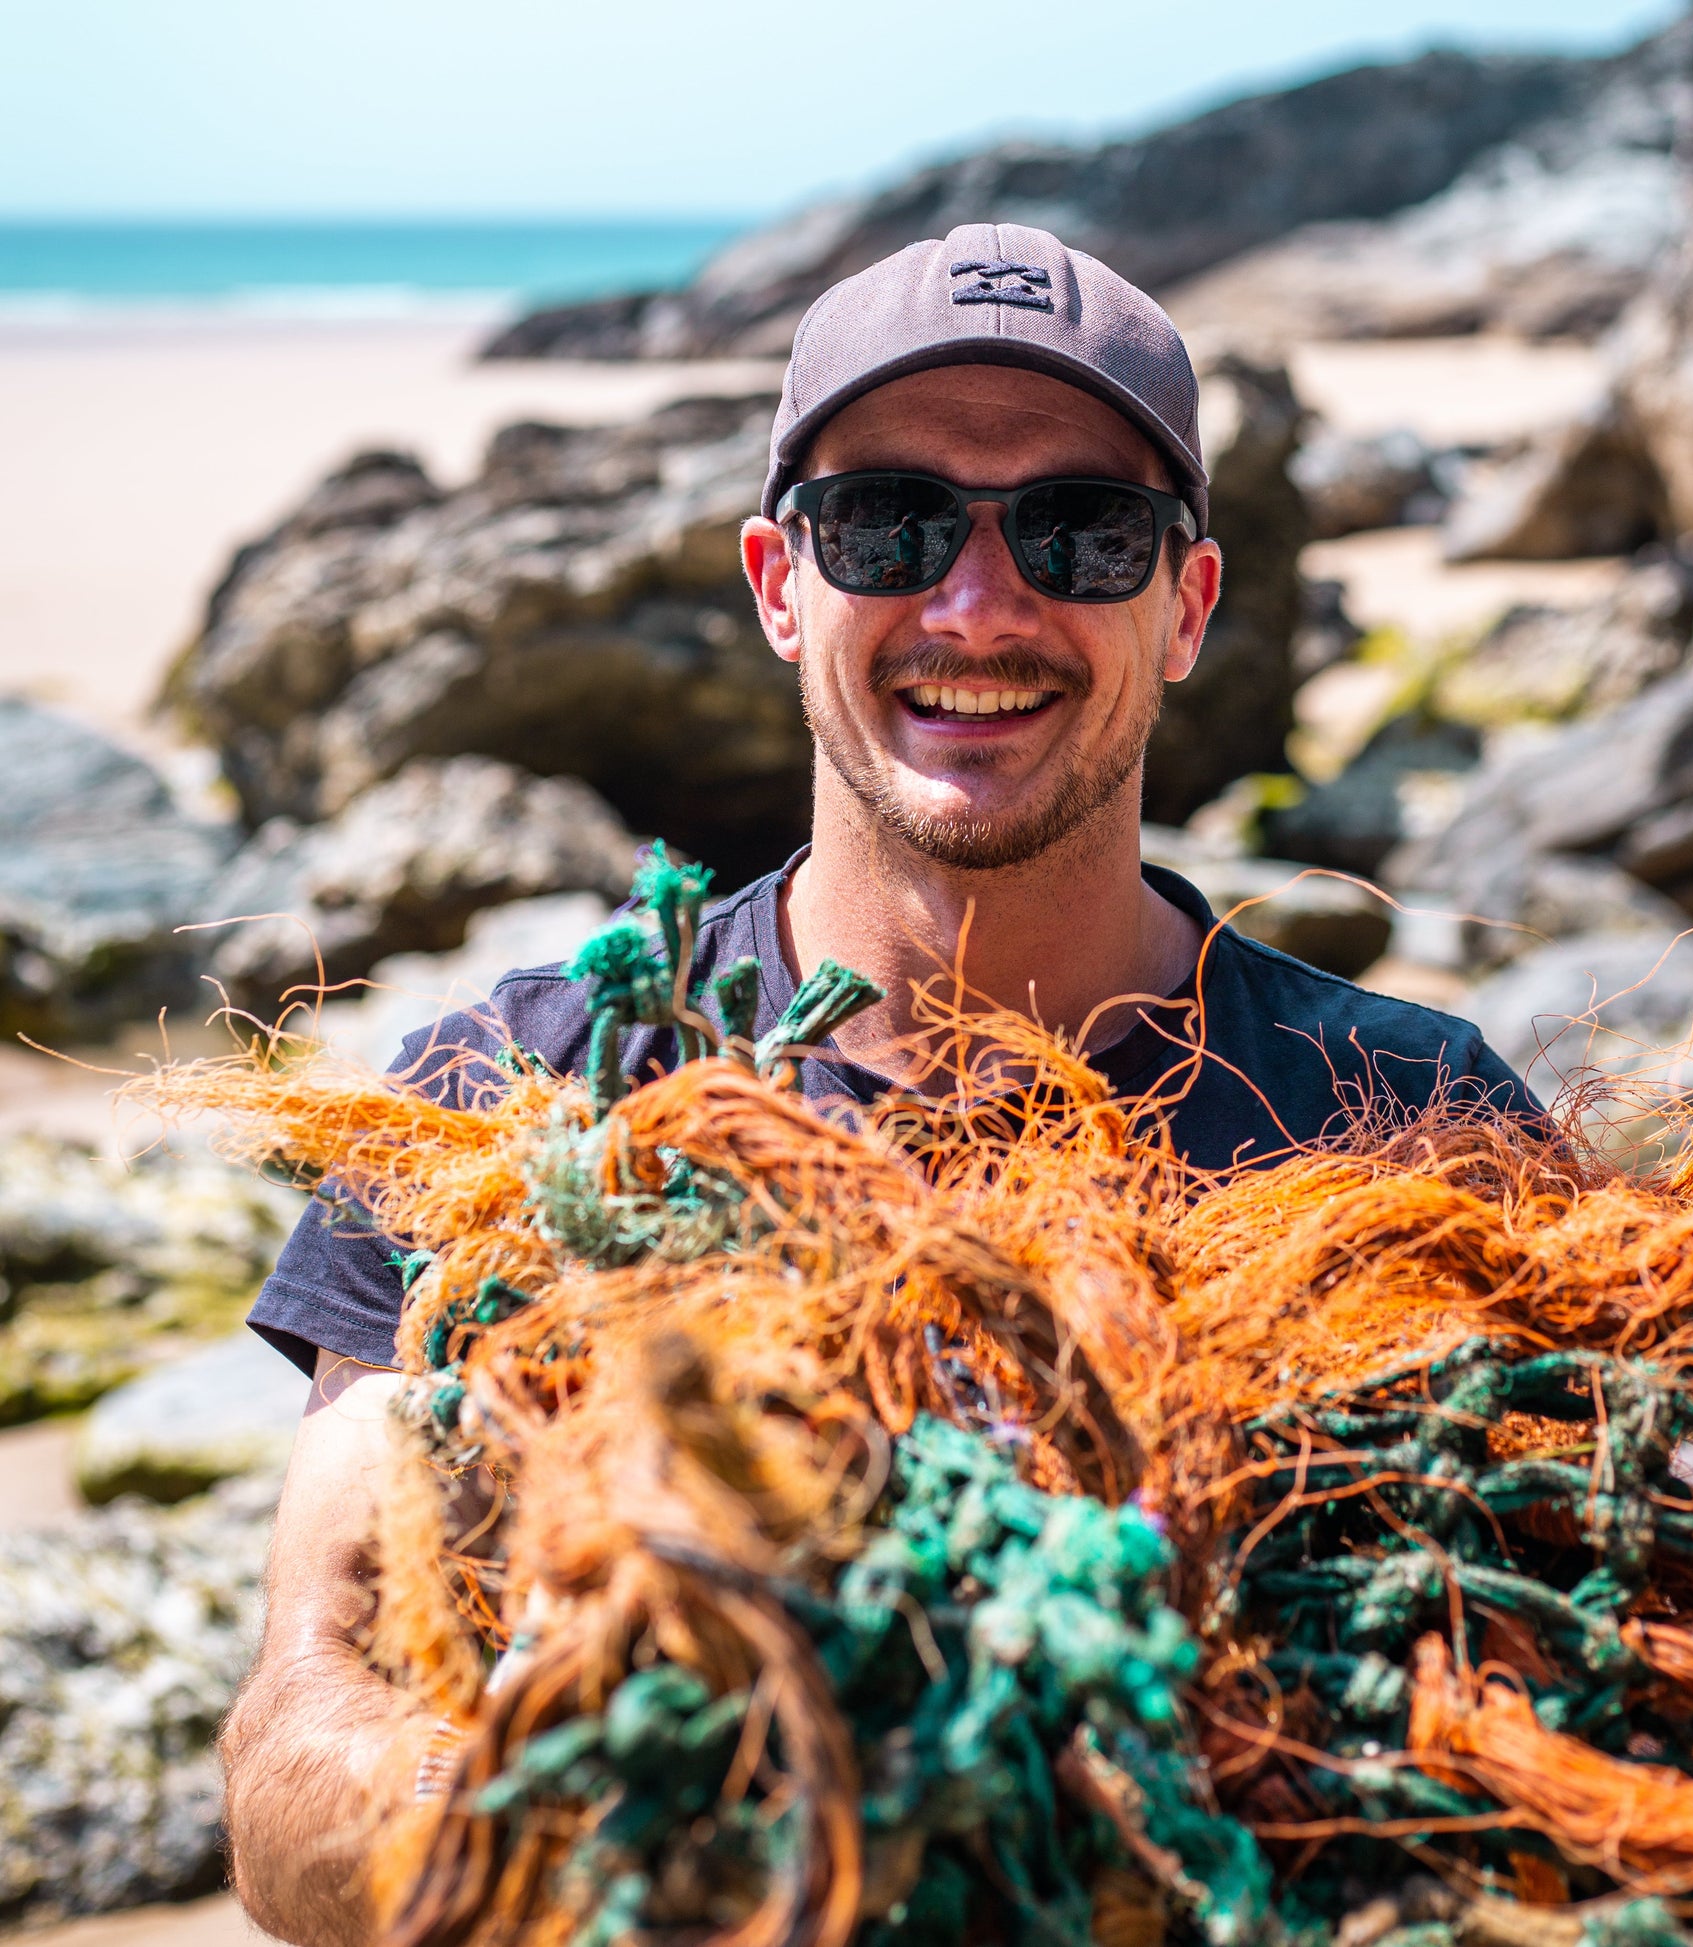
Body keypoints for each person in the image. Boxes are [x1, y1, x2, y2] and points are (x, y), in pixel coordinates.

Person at [223, 224, 1538, 1944]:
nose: (979, 606)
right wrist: (605, 1811)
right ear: (782, 585)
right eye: (888, 524)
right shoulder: (513, 1099)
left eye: (1081, 532)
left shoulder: (1414, 1131)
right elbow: (295, 1740)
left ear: (1188, 605)